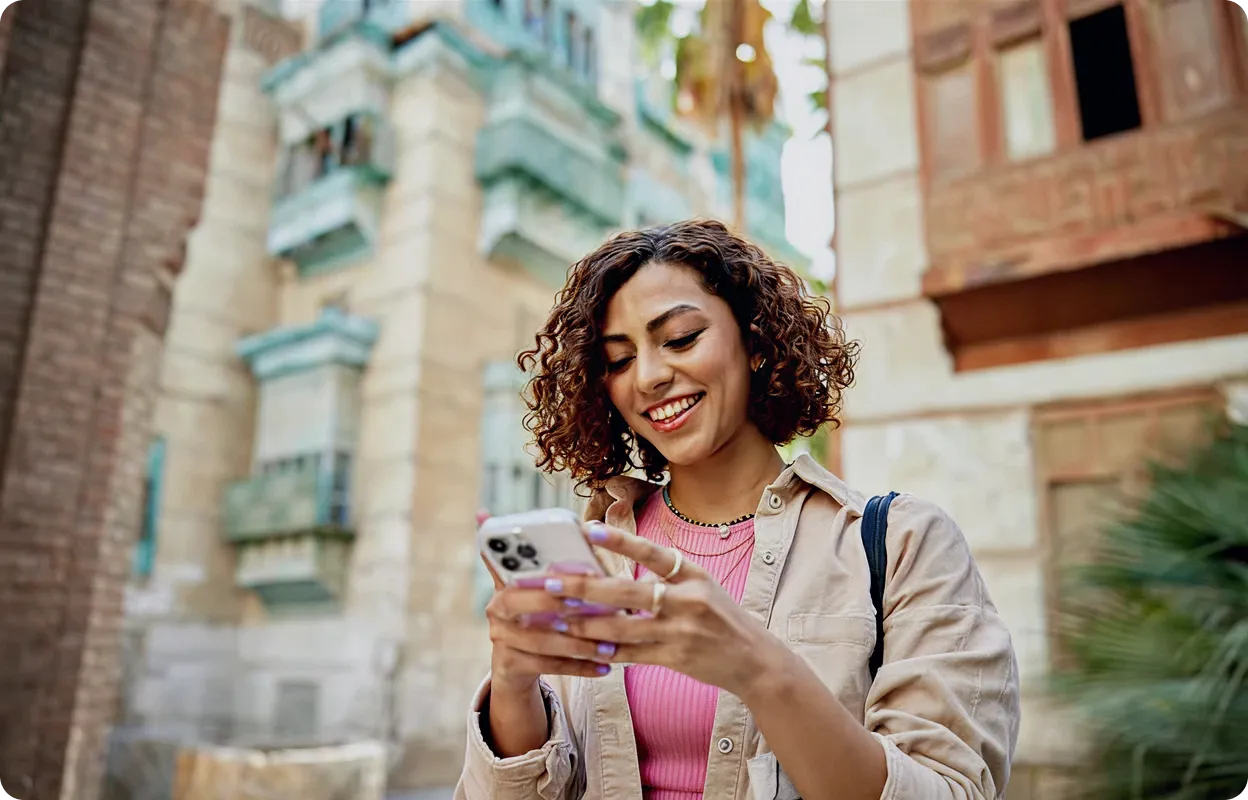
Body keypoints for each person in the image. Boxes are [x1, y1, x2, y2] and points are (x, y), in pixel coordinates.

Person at [456, 219, 1020, 800]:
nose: (648, 377)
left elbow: (951, 789)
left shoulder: (900, 544)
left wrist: (756, 667)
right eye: (619, 361)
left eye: (680, 339)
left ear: (754, 343)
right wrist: (513, 683)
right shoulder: (599, 558)